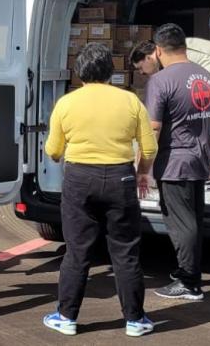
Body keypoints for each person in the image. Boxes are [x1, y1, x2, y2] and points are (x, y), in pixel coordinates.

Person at [42, 42, 158, 338]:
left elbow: (53, 150)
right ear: (111, 71)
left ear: (80, 72)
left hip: (79, 178)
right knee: (125, 251)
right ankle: (135, 319)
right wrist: (142, 172)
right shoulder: (131, 101)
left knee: (77, 251)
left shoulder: (67, 103)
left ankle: (66, 316)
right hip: (120, 178)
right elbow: (149, 147)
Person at [143, 24, 210, 301]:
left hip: (175, 162)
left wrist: (143, 166)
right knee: (193, 219)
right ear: (185, 47)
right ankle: (189, 272)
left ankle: (189, 282)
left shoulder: (160, 81)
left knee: (181, 223)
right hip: (198, 158)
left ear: (159, 50)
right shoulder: (205, 75)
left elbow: (153, 128)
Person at [130, 36, 210, 189]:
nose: (141, 73)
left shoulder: (173, 57)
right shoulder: (168, 54)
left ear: (148, 57)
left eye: (140, 68)